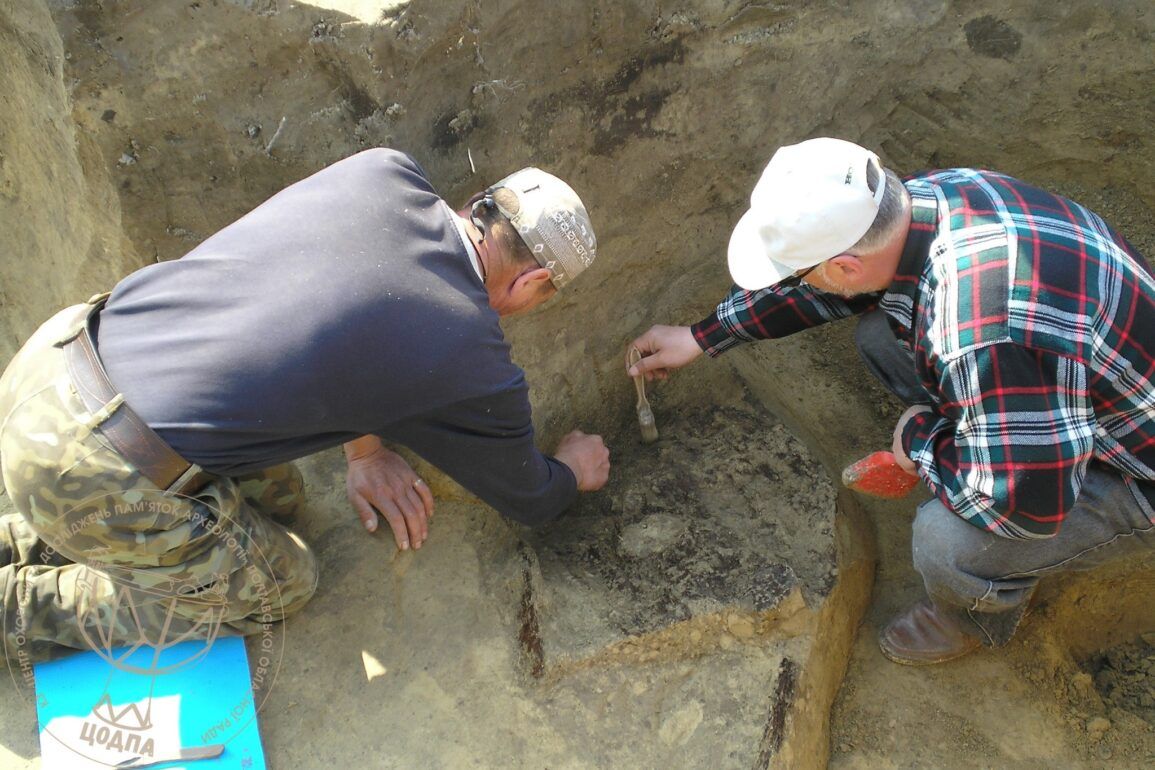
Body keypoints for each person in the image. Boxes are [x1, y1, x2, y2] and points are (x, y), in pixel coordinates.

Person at [0, 147, 610, 664]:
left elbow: (328, 305)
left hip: (55, 361)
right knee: (282, 583)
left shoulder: (384, 170)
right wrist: (573, 469)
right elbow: (532, 496)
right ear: (532, 284)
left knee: (282, 501)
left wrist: (365, 450)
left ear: (483, 199)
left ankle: (33, 529)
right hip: (87, 465)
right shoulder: (471, 359)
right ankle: (20, 609)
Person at [627, 137, 1155, 665]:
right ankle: (989, 426)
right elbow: (823, 285)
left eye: (801, 271)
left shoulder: (977, 328)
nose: (801, 282)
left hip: (1137, 467)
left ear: (845, 267)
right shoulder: (934, 196)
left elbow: (1023, 507)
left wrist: (919, 441)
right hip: (1088, 382)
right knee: (881, 334)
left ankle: (972, 613)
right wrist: (703, 336)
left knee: (945, 544)